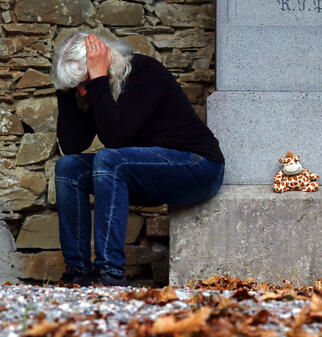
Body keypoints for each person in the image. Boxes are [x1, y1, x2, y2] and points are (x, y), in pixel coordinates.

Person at [52, 32, 225, 286]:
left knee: (109, 160)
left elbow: (117, 137)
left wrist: (98, 79)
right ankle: (77, 273)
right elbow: (71, 145)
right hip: (145, 173)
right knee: (68, 168)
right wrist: (67, 92)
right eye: (77, 85)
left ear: (103, 65)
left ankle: (109, 273)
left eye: (84, 82)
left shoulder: (144, 72)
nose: (82, 90)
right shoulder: (91, 90)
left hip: (198, 167)